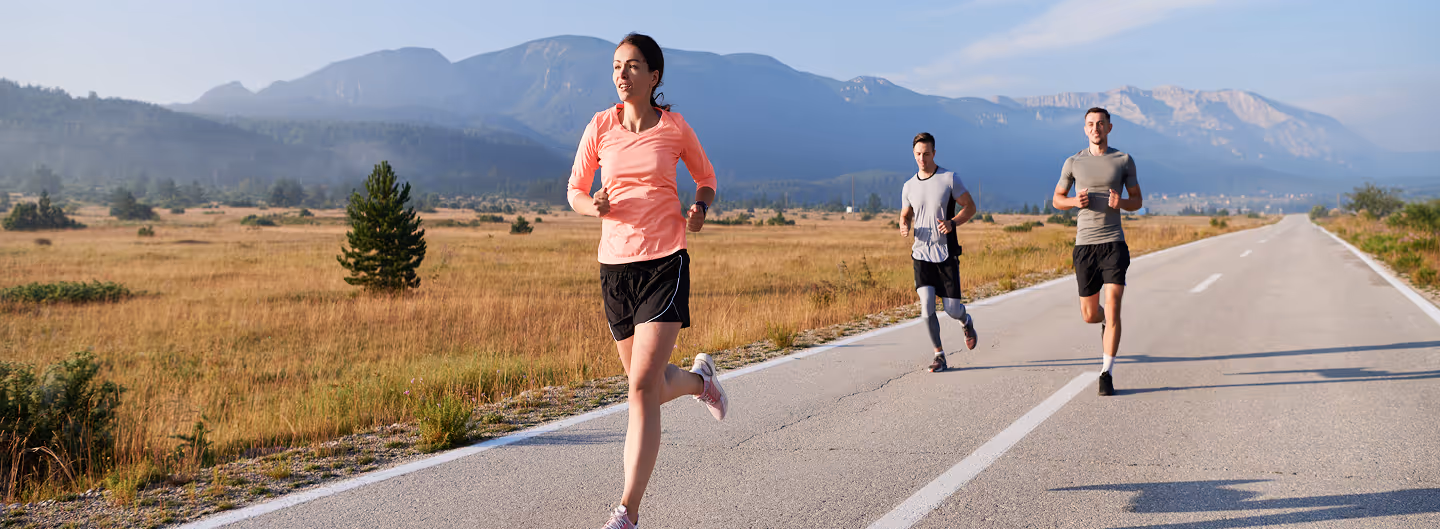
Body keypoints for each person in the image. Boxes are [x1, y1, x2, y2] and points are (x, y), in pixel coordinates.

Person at [566, 33, 728, 529]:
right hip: (615, 268)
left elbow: (707, 179)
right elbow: (574, 189)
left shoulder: (675, 129)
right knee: (650, 388)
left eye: (633, 66)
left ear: (654, 77)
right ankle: (702, 382)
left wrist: (699, 207)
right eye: (617, 66)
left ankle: (627, 512)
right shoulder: (599, 126)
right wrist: (589, 204)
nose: (622, 74)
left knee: (640, 386)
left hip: (665, 262)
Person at [1051, 107, 1143, 396]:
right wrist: (1073, 202)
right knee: (1090, 314)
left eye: (1101, 124)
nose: (1096, 129)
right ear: (1085, 129)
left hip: (1114, 242)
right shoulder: (1073, 162)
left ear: (1109, 127)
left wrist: (1122, 202)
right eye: (1091, 124)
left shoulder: (1123, 160)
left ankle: (1106, 373)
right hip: (1085, 245)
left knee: (1114, 303)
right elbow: (1056, 199)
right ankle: (1103, 322)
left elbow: (1137, 200)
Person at [898, 132, 979, 373]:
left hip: (945, 254)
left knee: (952, 309)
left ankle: (966, 321)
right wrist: (903, 223)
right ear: (914, 154)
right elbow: (906, 212)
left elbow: (970, 207)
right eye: (918, 154)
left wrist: (953, 222)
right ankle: (939, 355)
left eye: (926, 154)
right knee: (926, 309)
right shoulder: (908, 186)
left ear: (934, 153)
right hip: (921, 254)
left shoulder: (949, 179)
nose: (922, 158)